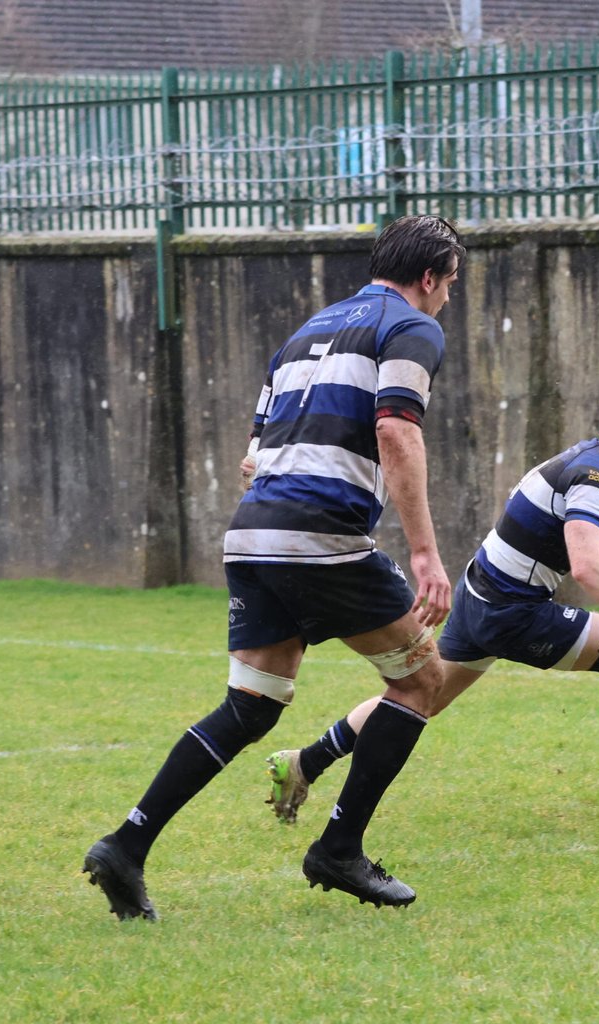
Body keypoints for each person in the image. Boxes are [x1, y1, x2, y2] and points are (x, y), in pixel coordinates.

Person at [82, 215, 464, 920]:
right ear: (429, 277)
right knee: (421, 682)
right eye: (449, 284)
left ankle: (126, 846)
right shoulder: (412, 326)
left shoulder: (305, 333)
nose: (447, 298)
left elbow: (251, 457)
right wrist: (424, 552)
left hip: (253, 532)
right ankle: (339, 848)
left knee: (252, 705)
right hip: (321, 534)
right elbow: (395, 428)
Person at [262, 376, 599, 825]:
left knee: (420, 699)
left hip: (480, 593)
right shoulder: (595, 478)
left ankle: (305, 761)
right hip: (512, 608)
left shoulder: (592, 462)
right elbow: (588, 565)